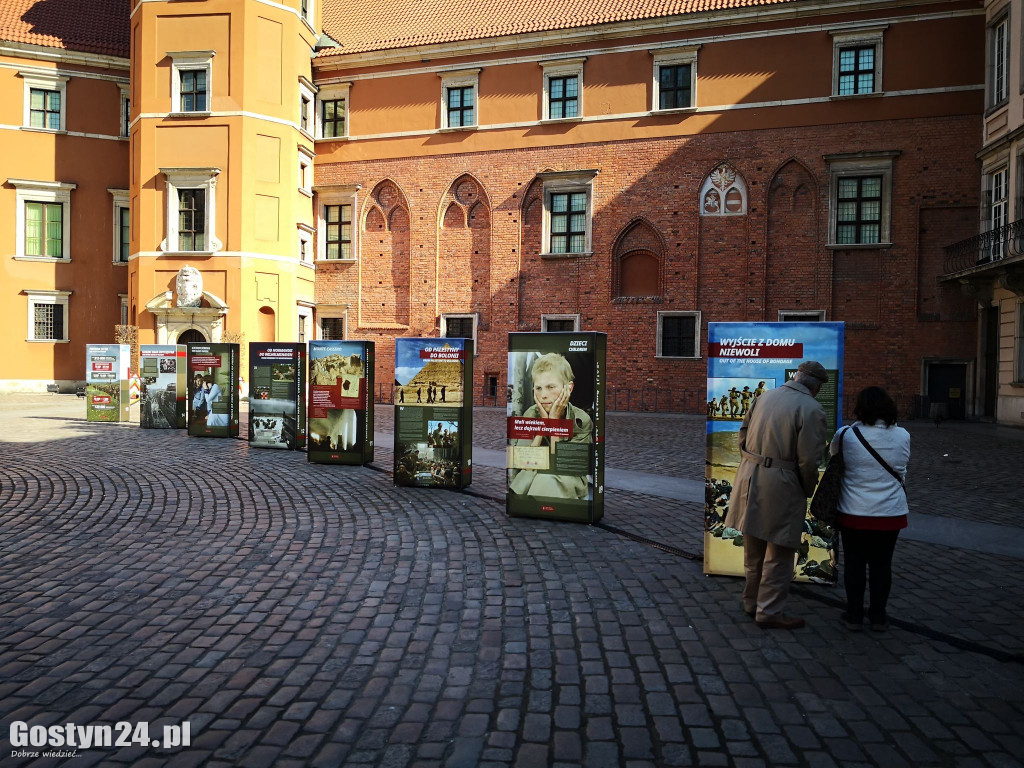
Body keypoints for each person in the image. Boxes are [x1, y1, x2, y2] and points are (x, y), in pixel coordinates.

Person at [725, 361, 829, 629]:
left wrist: (753, 463)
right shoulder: (812, 409)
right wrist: (806, 488)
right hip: (783, 483)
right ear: (816, 387)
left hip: (750, 476)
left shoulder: (764, 397)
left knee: (754, 548)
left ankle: (751, 601)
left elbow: (742, 436)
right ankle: (768, 610)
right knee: (780, 553)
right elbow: (809, 461)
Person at [832, 387, 910, 632]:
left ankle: (854, 614)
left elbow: (835, 457)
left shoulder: (846, 434)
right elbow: (903, 467)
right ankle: (879, 615)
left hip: (853, 511)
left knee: (854, 564)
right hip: (890, 512)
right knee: (882, 564)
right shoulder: (903, 435)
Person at [509, 352, 592, 499]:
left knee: (546, 479)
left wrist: (553, 422)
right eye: (538, 388)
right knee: (539, 478)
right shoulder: (531, 413)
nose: (543, 395)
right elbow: (526, 464)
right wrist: (543, 424)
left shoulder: (581, 420)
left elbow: (562, 465)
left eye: (550, 387)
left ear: (569, 388)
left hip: (567, 477)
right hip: (534, 473)